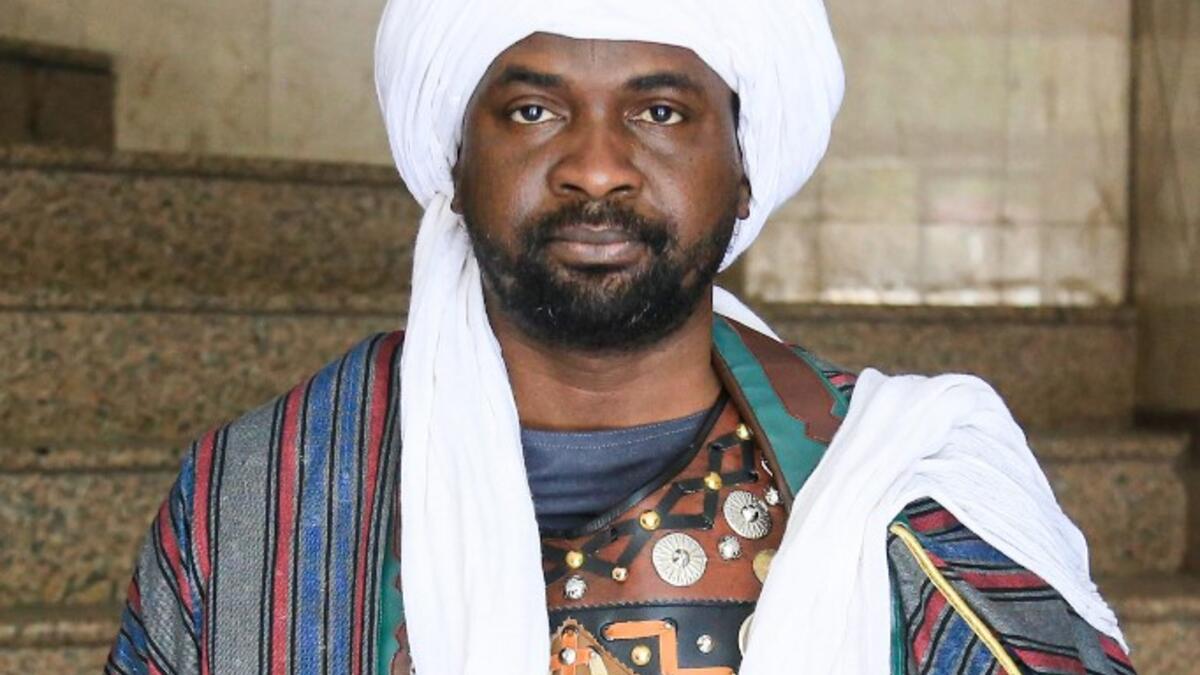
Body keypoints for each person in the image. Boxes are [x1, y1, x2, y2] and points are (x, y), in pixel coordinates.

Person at [106, 1, 1137, 674]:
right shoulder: (265, 499)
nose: (596, 169)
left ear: (742, 171)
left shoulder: (907, 498)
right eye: (531, 112)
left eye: (657, 110)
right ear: (453, 165)